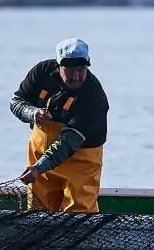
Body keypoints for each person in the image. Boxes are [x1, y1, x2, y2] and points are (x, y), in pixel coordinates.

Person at [9, 37, 110, 213]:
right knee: (38, 212)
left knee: (78, 214)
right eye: (71, 70)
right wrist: (33, 113)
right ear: (59, 66)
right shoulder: (41, 72)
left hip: (80, 162)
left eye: (81, 69)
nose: (77, 76)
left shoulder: (94, 96)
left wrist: (38, 168)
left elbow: (69, 142)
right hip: (40, 160)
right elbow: (17, 102)